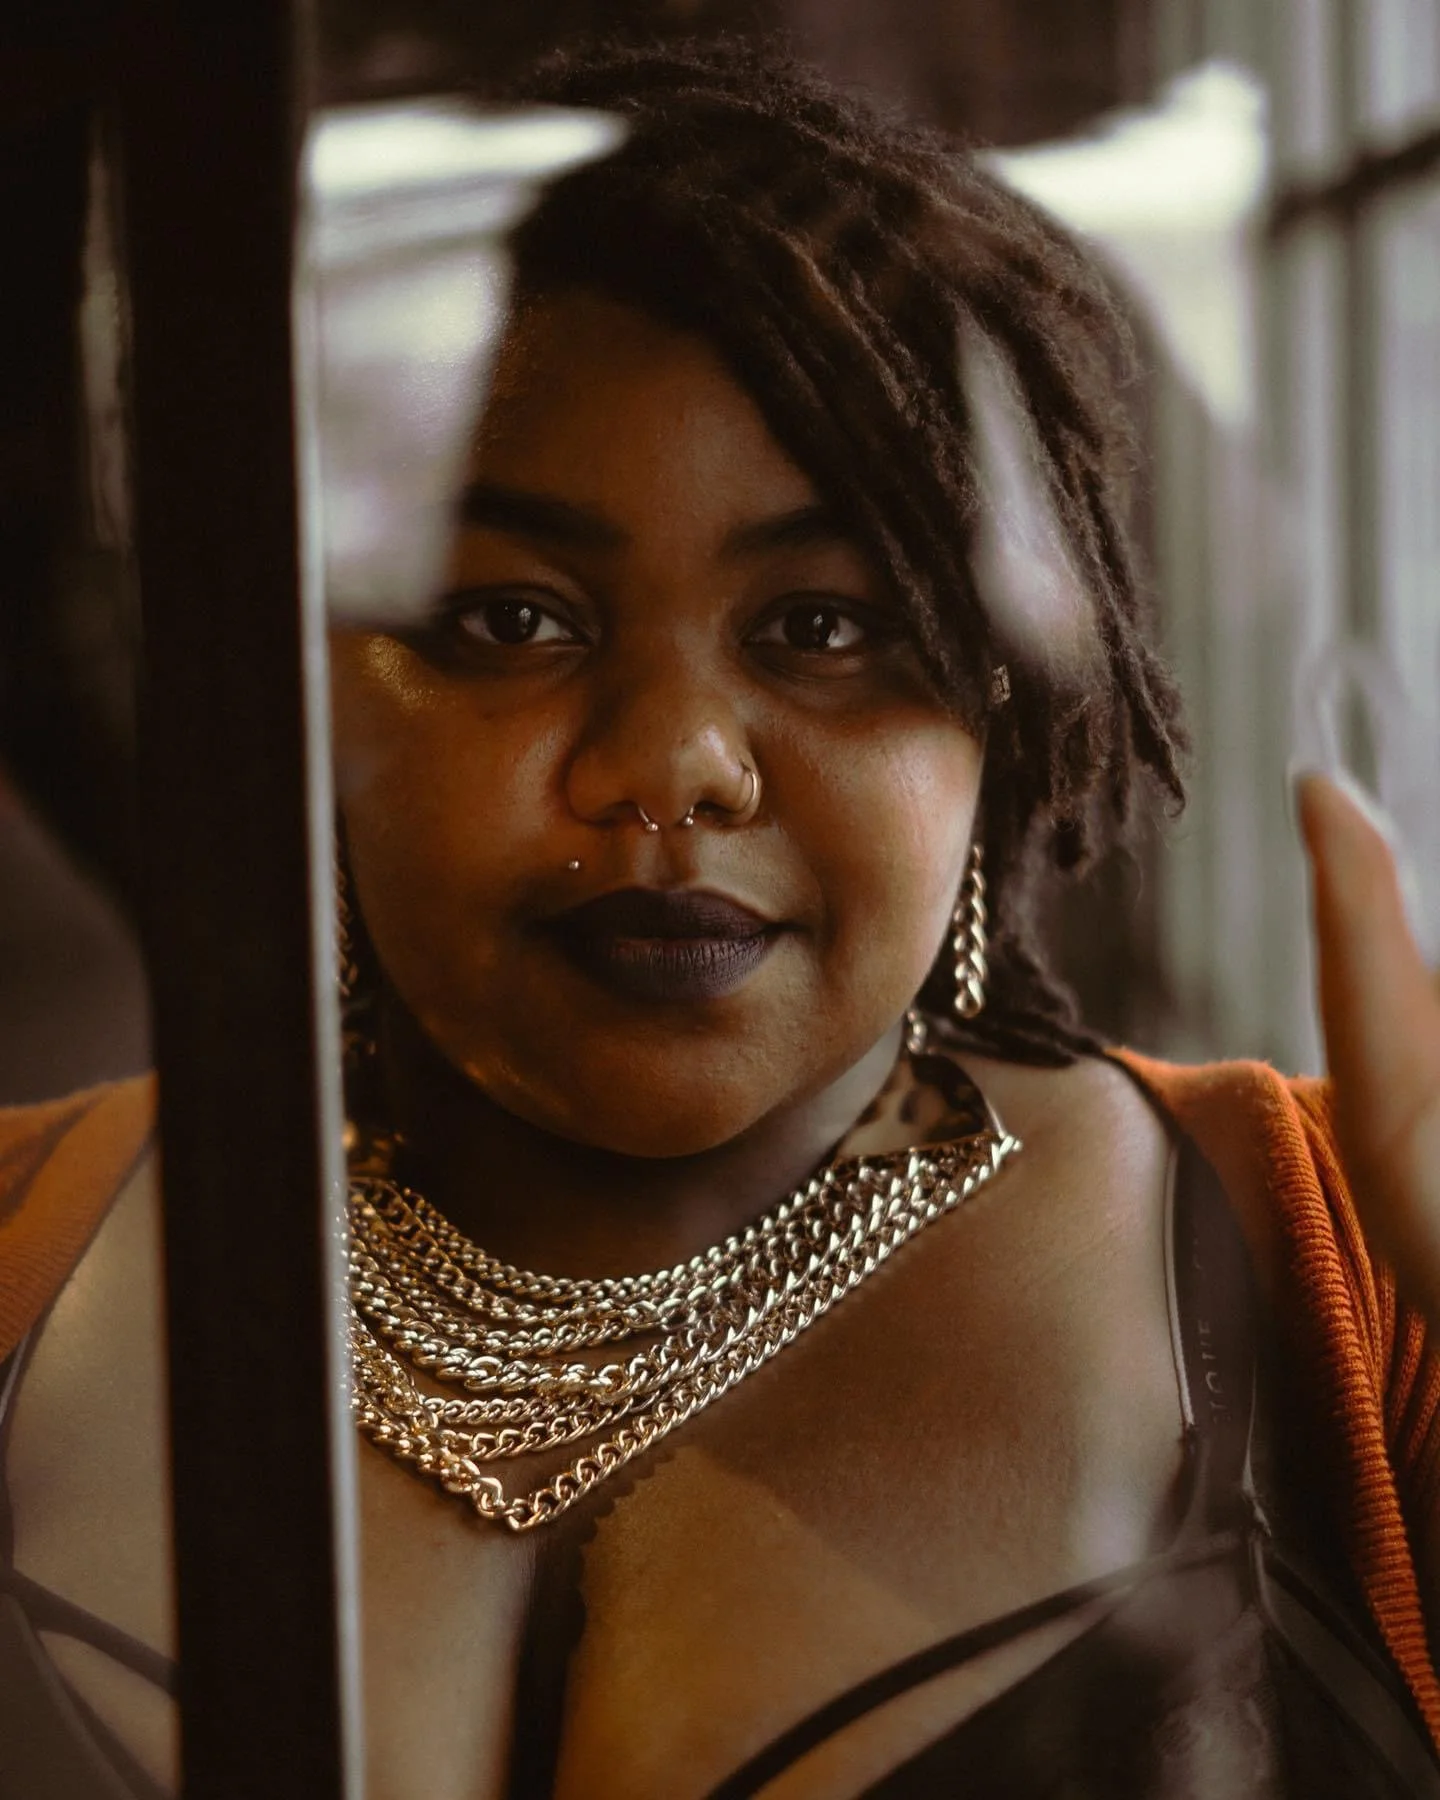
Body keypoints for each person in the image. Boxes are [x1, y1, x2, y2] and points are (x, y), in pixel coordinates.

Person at [3, 35, 1440, 1800]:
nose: (671, 768)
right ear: (304, 693)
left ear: (1001, 709)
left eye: (822, 628)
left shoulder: (1360, 1274)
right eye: (511, 619)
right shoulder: (16, 1248)